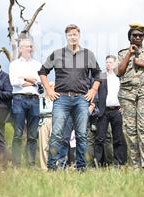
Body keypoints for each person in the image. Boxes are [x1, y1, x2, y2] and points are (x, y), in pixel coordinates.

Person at [39, 24, 101, 171]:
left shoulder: (88, 55)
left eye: (75, 34)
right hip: (62, 99)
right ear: (66, 36)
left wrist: (93, 90)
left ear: (79, 36)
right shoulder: (57, 53)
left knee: (81, 135)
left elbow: (98, 74)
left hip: (81, 99)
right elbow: (42, 71)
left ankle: (81, 168)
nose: (73, 37)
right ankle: (52, 168)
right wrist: (48, 89)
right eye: (70, 35)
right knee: (56, 133)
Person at [115, 23, 144, 171]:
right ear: (129, 37)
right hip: (127, 94)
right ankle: (135, 166)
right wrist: (129, 54)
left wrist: (142, 64)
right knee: (130, 130)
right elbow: (119, 72)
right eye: (134, 35)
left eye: (140, 35)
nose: (137, 37)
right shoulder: (123, 53)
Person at [9, 38, 42, 167]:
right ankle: (16, 164)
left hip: (34, 100)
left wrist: (23, 78)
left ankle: (31, 164)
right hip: (19, 99)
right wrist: (30, 79)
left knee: (33, 135)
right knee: (18, 134)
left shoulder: (38, 65)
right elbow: (14, 81)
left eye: (31, 46)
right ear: (21, 48)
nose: (30, 49)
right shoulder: (14, 64)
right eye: (27, 46)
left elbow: (40, 81)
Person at [93, 55, 127, 167]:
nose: (108, 64)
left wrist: (124, 106)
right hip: (103, 111)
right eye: (107, 62)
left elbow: (125, 93)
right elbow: (94, 93)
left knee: (117, 138)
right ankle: (97, 163)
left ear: (116, 63)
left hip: (117, 110)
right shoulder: (101, 77)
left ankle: (119, 163)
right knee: (100, 138)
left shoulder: (120, 77)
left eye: (111, 62)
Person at [37, 83, 54, 170]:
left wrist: (47, 112)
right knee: (43, 145)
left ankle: (54, 165)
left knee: (54, 145)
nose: (50, 89)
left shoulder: (56, 99)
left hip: (54, 122)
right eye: (48, 87)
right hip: (43, 122)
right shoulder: (42, 99)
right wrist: (50, 112)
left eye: (51, 87)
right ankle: (44, 167)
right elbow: (40, 111)